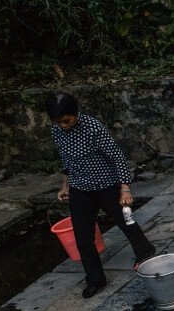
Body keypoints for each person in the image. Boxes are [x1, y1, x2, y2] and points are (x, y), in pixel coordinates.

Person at [47, 92, 156, 298]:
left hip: (107, 185)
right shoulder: (57, 131)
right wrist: (65, 186)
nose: (63, 125)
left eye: (66, 121)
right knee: (82, 236)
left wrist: (125, 188)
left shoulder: (92, 127)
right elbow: (67, 161)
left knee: (126, 221)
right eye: (58, 122)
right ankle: (95, 279)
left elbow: (117, 157)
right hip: (80, 189)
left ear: (75, 114)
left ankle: (145, 251)